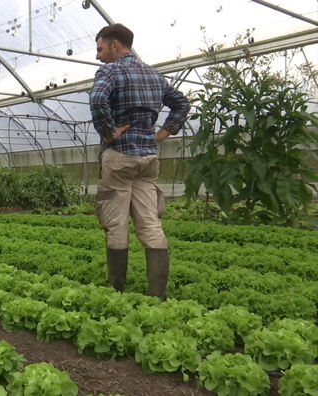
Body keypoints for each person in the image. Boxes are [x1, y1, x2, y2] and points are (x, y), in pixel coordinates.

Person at [89, 23, 190, 300]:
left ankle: (117, 290)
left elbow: (98, 99)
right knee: (150, 223)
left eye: (100, 49)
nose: (98, 56)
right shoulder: (155, 76)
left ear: (115, 45)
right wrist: (162, 133)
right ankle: (157, 296)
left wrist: (109, 132)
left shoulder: (110, 71)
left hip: (120, 157)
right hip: (148, 159)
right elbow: (181, 103)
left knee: (116, 222)